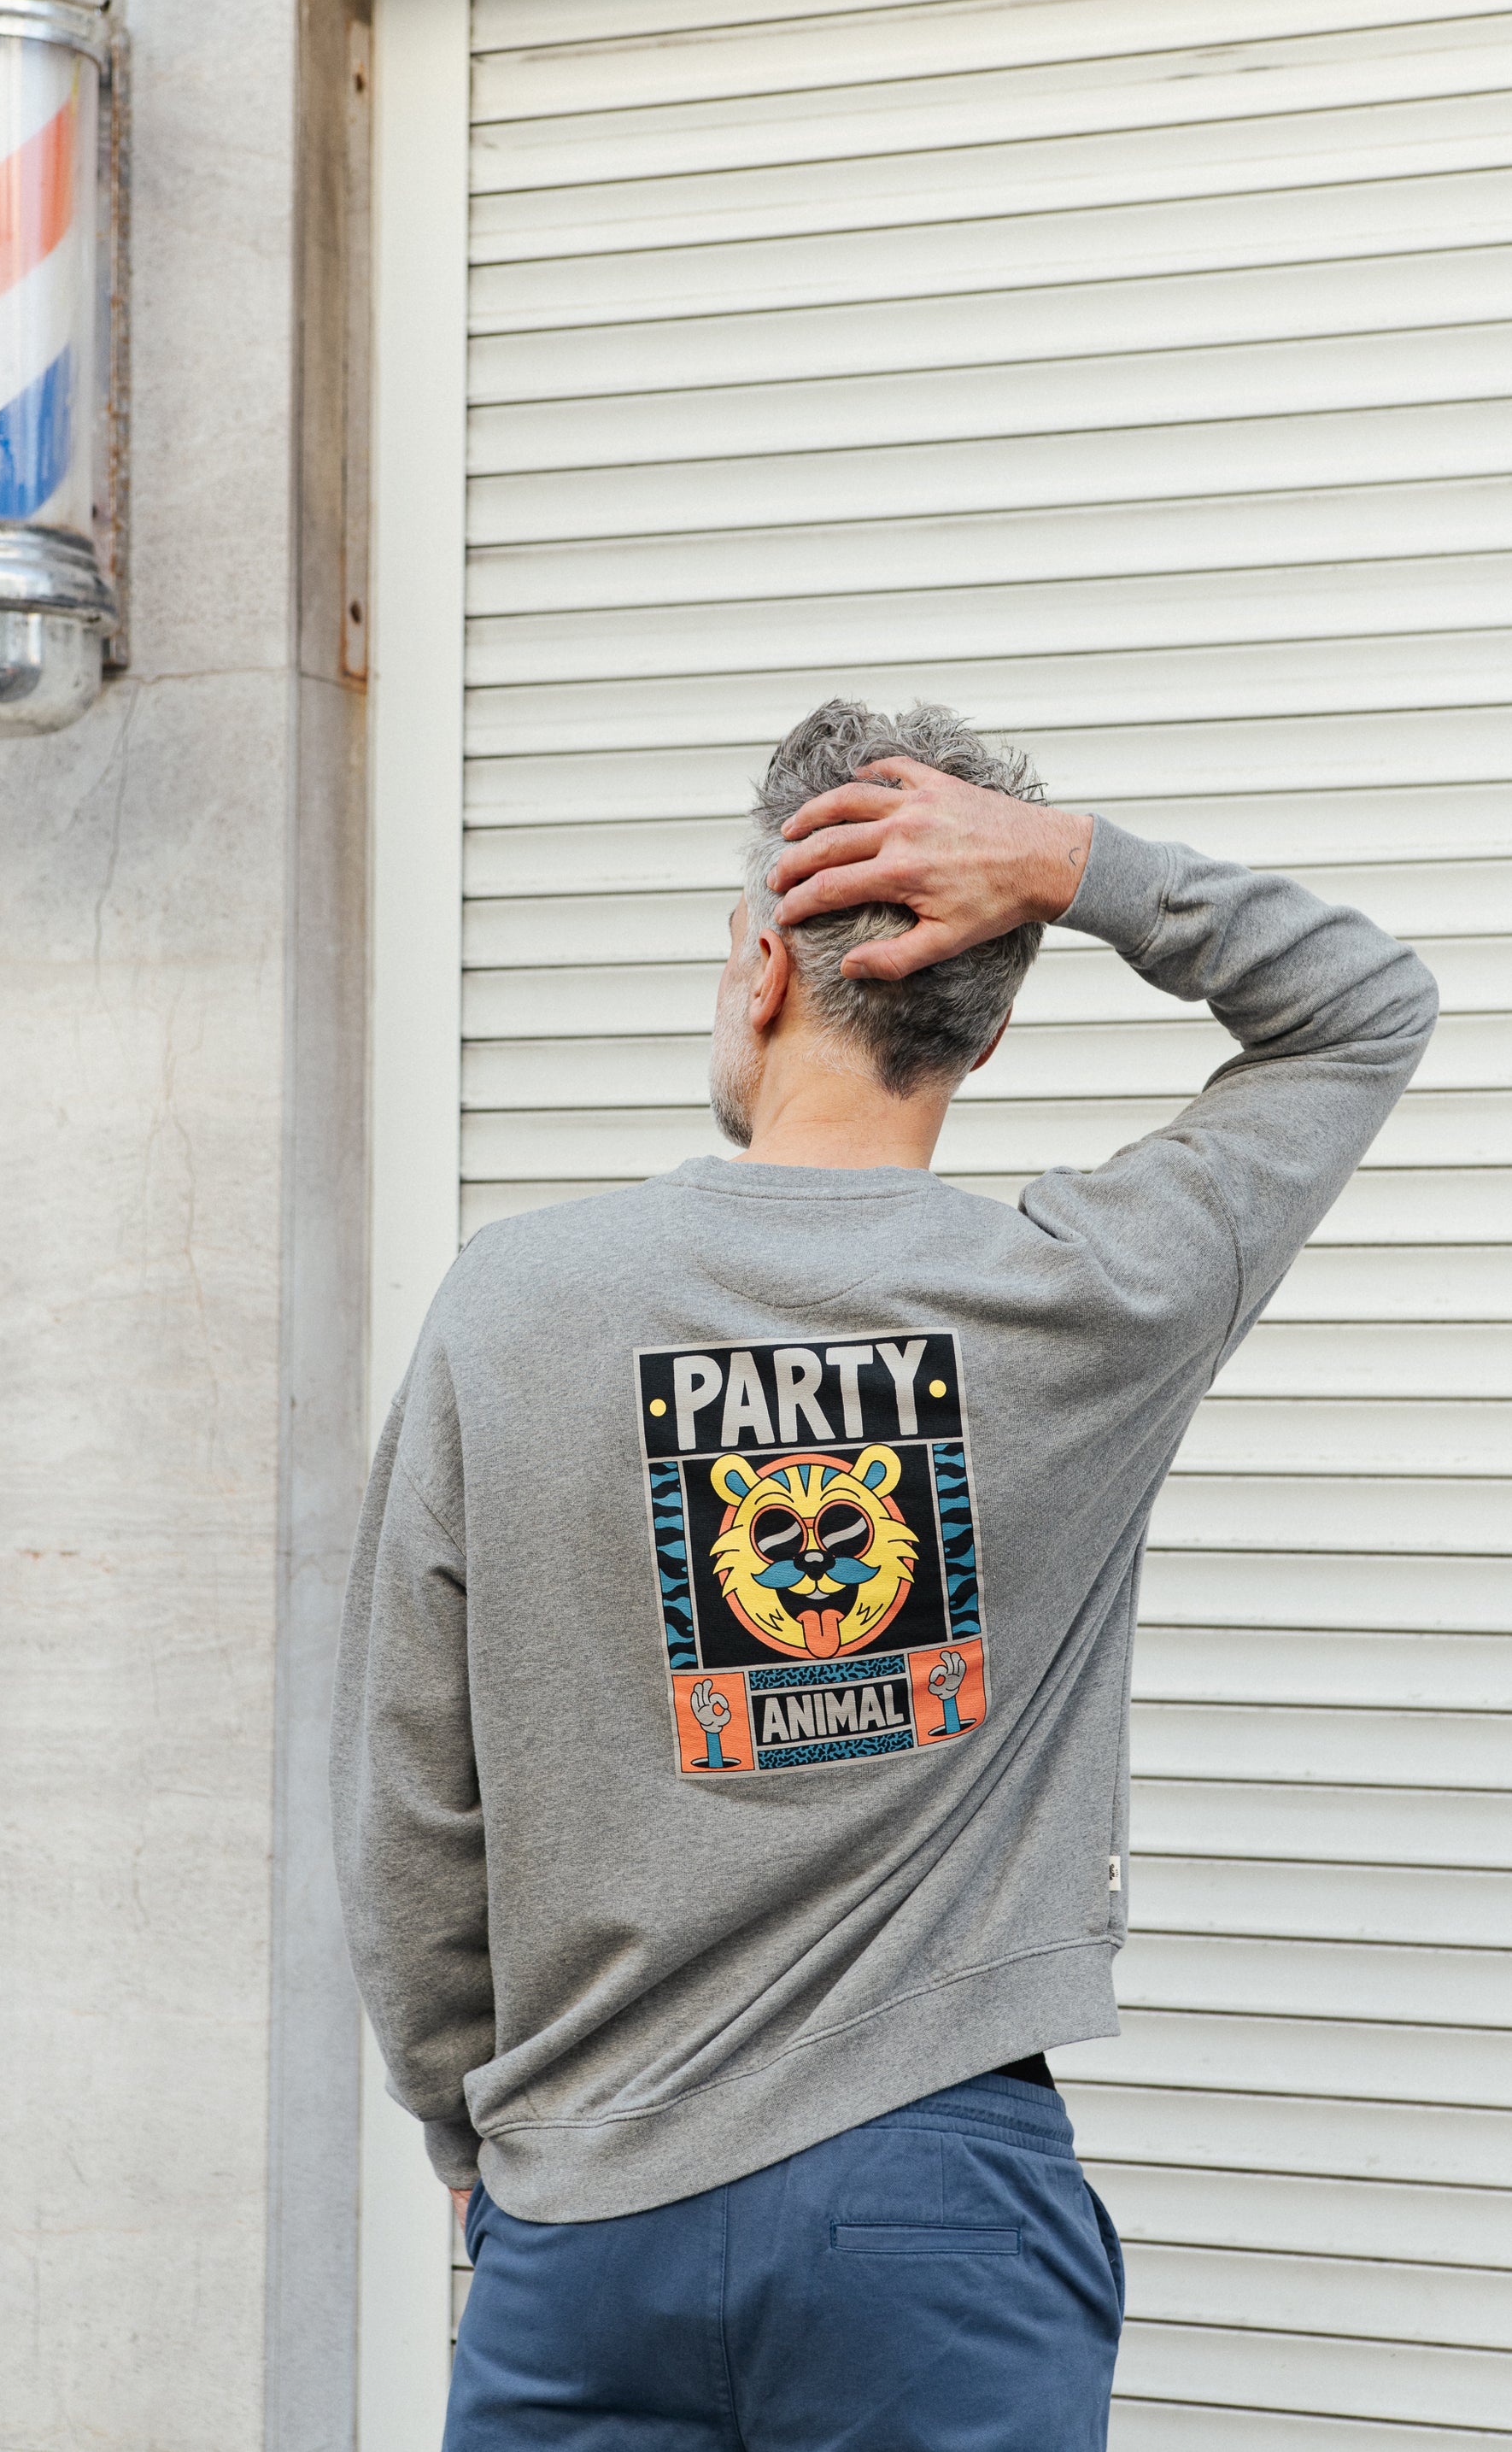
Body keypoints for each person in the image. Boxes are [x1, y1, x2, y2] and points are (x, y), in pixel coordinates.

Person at [331, 699, 1436, 2450]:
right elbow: (1364, 1005)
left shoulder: (514, 1303)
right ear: (986, 1034)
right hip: (935, 2203)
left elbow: (407, 1787)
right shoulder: (1091, 1296)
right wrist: (1073, 871)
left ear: (761, 964)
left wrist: (473, 2127)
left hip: (587, 2203)